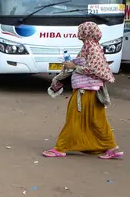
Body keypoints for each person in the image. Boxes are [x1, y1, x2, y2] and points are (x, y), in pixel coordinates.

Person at [43, 22, 122, 159]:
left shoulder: (91, 47)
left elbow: (93, 69)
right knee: (97, 120)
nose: (78, 34)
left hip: (86, 91)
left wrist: (73, 65)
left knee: (74, 118)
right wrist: (72, 65)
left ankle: (61, 148)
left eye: (81, 31)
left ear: (86, 32)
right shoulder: (91, 46)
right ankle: (111, 147)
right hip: (91, 90)